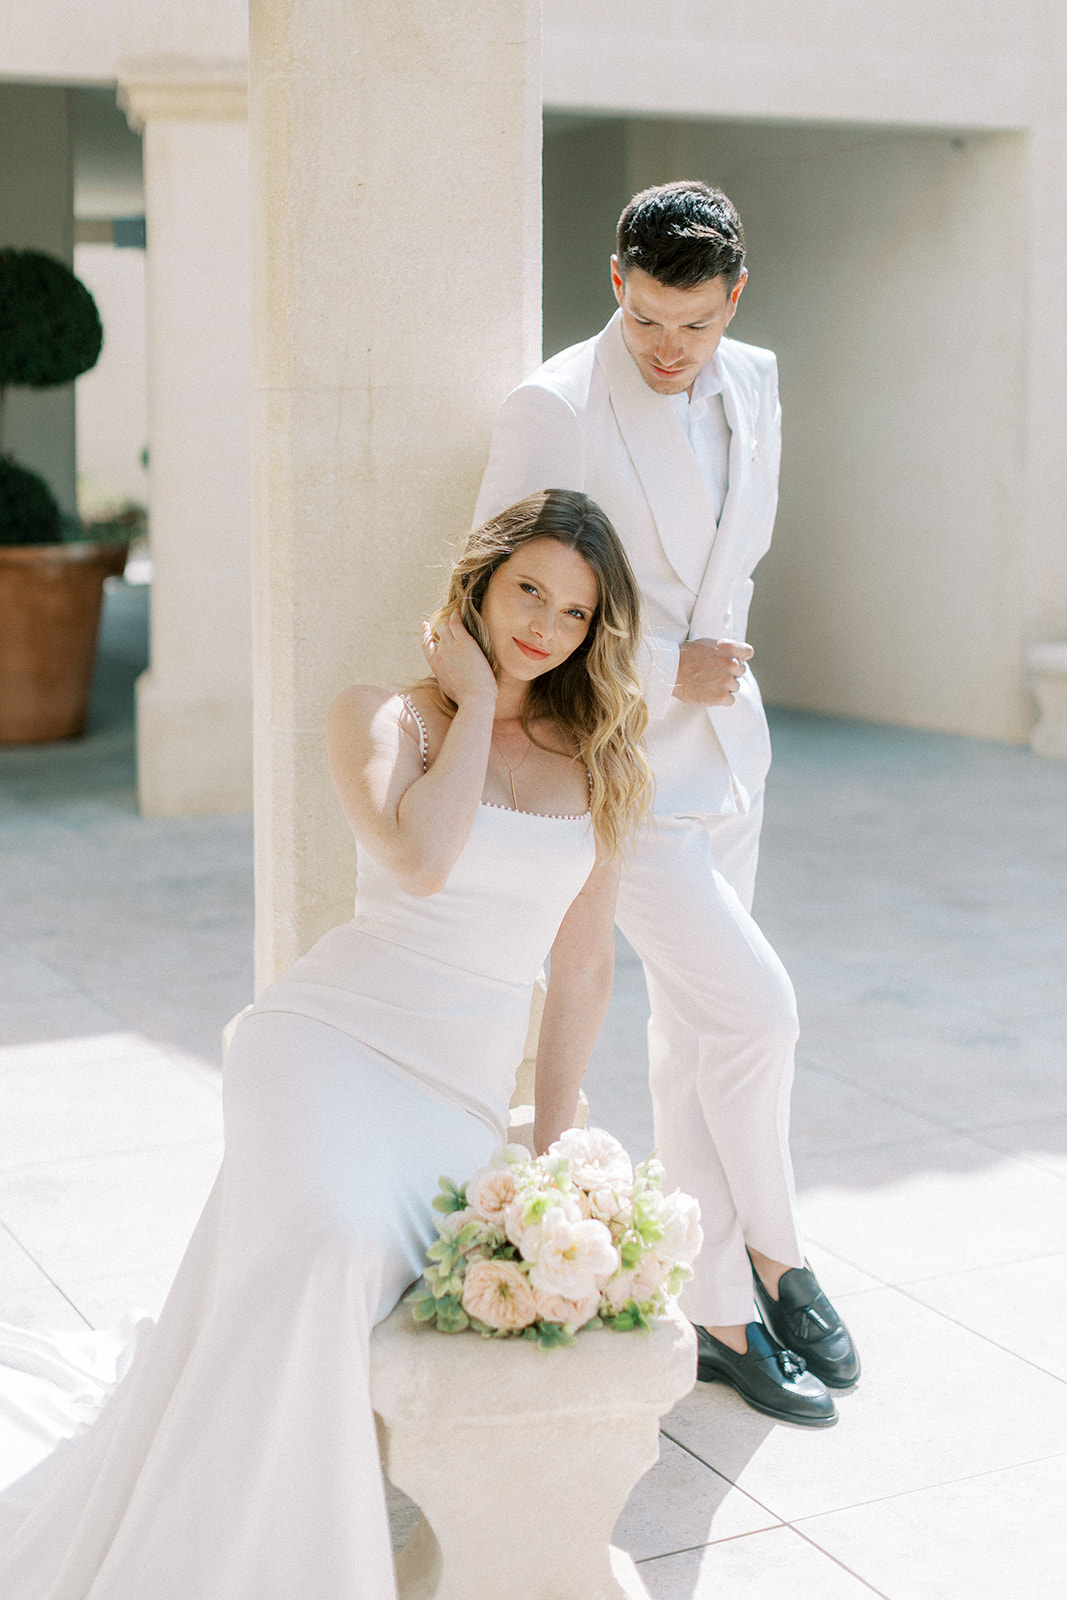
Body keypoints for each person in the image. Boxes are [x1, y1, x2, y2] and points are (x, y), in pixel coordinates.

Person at [0, 489, 652, 1599]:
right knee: (322, 1243)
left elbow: (580, 969)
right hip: (323, 1042)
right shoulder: (382, 718)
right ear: (479, 585)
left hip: (448, 1096)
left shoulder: (598, 764)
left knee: (322, 1263)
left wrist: (549, 1151)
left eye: (576, 612)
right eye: (527, 589)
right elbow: (422, 863)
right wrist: (477, 699)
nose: (545, 624)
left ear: (596, 633)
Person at [474, 181, 859, 1427]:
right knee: (758, 1013)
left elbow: (726, 570)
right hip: (617, 771)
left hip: (728, 762)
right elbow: (496, 607)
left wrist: (712, 682)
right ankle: (777, 1255)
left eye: (689, 324)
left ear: (731, 298)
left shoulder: (753, 377)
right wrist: (651, 672)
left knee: (698, 1041)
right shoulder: (551, 404)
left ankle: (719, 1322)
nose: (666, 349)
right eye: (644, 320)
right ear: (614, 282)